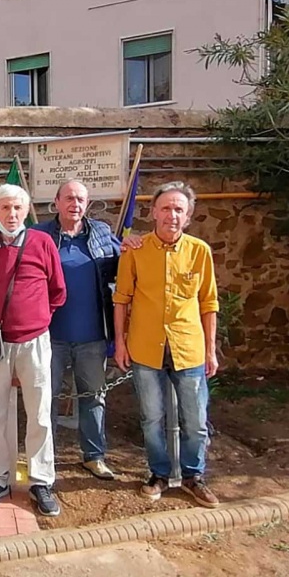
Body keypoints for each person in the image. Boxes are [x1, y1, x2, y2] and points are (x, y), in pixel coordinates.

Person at [113, 181, 220, 508]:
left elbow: (209, 302)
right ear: (153, 212)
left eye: (179, 209)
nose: (172, 215)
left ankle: (193, 476)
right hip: (146, 349)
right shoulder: (135, 250)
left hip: (189, 349)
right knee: (151, 417)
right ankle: (158, 473)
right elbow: (122, 300)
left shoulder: (199, 251)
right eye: (166, 208)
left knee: (195, 419)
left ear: (187, 217)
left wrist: (211, 349)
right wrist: (120, 343)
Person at [0, 184, 66, 516]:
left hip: (35, 341)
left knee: (39, 414)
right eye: (5, 208)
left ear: (26, 211)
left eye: (17, 208)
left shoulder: (43, 242)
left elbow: (57, 291)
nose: (12, 214)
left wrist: (35, 319)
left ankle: (41, 481)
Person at [34, 180, 121, 480]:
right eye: (69, 198)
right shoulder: (38, 235)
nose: (75, 203)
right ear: (56, 202)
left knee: (94, 398)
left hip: (92, 336)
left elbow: (126, 265)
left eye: (81, 199)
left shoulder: (101, 233)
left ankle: (94, 456)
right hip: (49, 336)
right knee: (47, 399)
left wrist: (136, 245)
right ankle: (47, 459)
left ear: (88, 204)